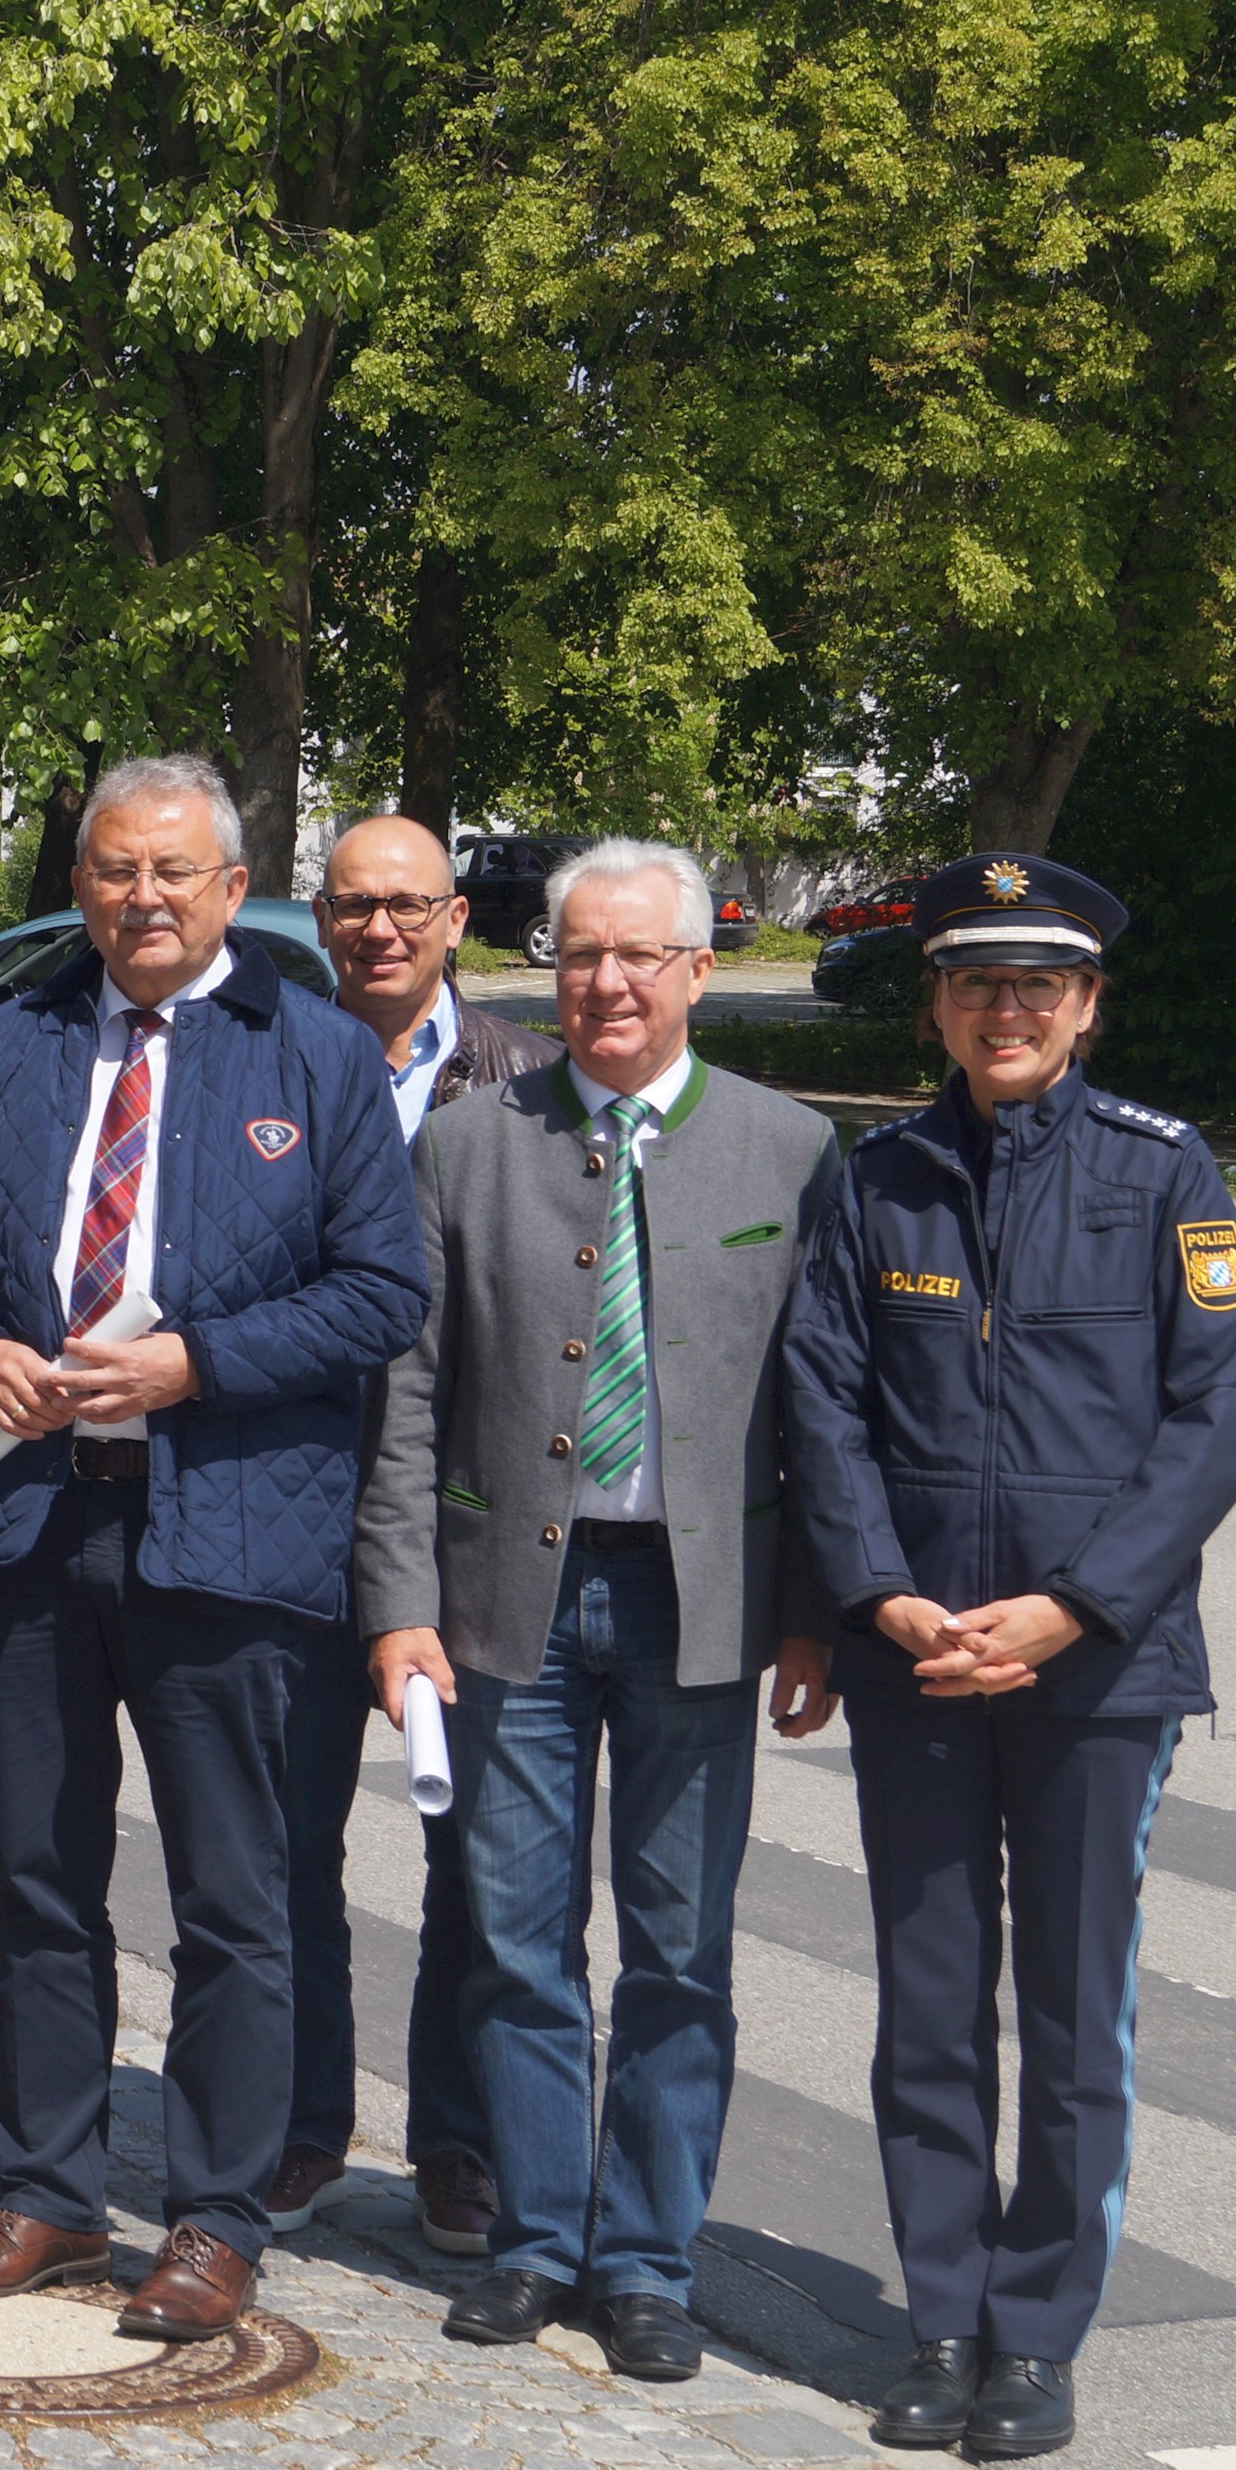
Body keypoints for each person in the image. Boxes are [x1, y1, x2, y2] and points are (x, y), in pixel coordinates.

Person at [0, 754, 425, 2346]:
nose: (140, 899)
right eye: (114, 871)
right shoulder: (14, 1043)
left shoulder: (316, 1052)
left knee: (234, 1897)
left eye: (174, 873)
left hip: (232, 1530)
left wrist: (199, 1363)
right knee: (41, 1879)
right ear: (84, 883)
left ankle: (213, 2217)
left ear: (229, 883)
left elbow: (383, 1293)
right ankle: (49, 2195)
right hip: (35, 1523)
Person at [782, 855, 1236, 2461]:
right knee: (929, 2005)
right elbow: (825, 1402)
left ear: (1085, 1005)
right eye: (976, 983)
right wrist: (877, 1593)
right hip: (920, 1658)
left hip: (1096, 1670)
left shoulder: (1165, 1172)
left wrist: (1076, 1602)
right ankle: (939, 2316)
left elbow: (1230, 1411)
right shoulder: (882, 1176)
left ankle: (1038, 2333)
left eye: (1037, 987)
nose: (1007, 1010)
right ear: (935, 1000)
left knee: (1074, 2019)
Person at [357, 834, 843, 2387]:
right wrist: (399, 1601)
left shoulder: (787, 1150)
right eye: (579, 953)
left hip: (703, 1608)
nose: (607, 982)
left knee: (682, 1953)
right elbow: (411, 1397)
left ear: (700, 969)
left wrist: (820, 1613)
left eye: (640, 955)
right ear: (543, 967)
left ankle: (646, 2259)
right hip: (512, 1603)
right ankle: (536, 2240)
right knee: (511, 1938)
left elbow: (831, 1410)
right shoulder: (468, 1144)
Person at [281, 812, 557, 2258]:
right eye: (350, 907)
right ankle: (305, 2120)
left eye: (405, 906)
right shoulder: (273, 1053)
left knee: (478, 1852)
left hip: (467, 1519)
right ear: (320, 920)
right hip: (291, 1501)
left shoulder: (528, 1078)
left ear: (456, 919)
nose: (377, 930)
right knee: (285, 1836)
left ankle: (455, 2143)